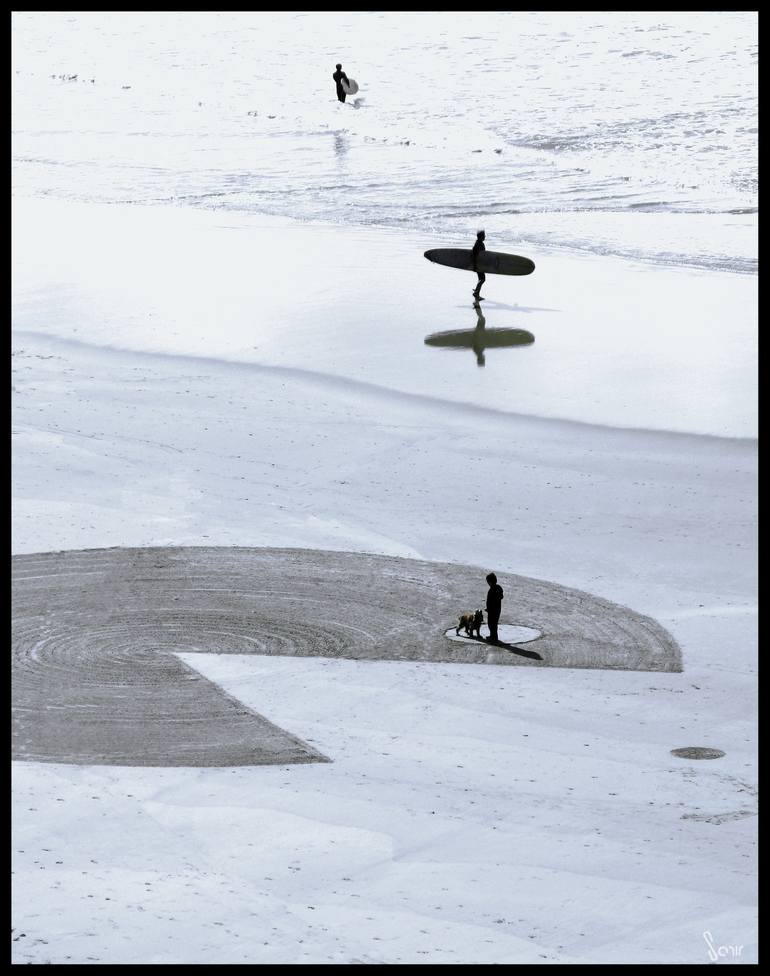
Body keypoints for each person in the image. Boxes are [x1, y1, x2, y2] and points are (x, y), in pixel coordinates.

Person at [485, 571, 504, 643]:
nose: (487, 583)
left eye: (488, 581)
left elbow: (491, 601)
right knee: (494, 624)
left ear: (490, 581)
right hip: (497, 609)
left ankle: (494, 638)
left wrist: (489, 609)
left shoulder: (492, 589)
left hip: (492, 610)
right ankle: (493, 636)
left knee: (491, 624)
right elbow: (501, 596)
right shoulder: (499, 587)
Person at [471, 229, 486, 300]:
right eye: (484, 235)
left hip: (479, 265)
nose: (485, 237)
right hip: (479, 265)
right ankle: (476, 293)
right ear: (480, 237)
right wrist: (475, 266)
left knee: (480, 278)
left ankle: (477, 290)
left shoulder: (479, 243)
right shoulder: (478, 244)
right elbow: (474, 255)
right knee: (483, 279)